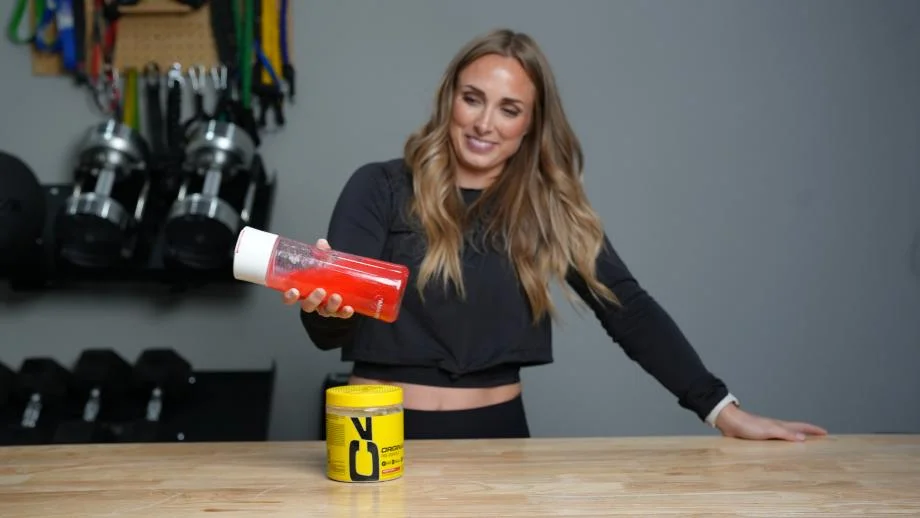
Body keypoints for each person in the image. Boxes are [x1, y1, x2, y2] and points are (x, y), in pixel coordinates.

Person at [284, 28, 827, 442]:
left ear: (529, 125)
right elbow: (328, 326)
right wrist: (325, 307)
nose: (484, 123)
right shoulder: (378, 186)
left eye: (509, 109)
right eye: (472, 98)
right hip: (376, 432)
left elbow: (629, 310)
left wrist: (722, 411)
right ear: (449, 98)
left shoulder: (546, 208)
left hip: (498, 436)